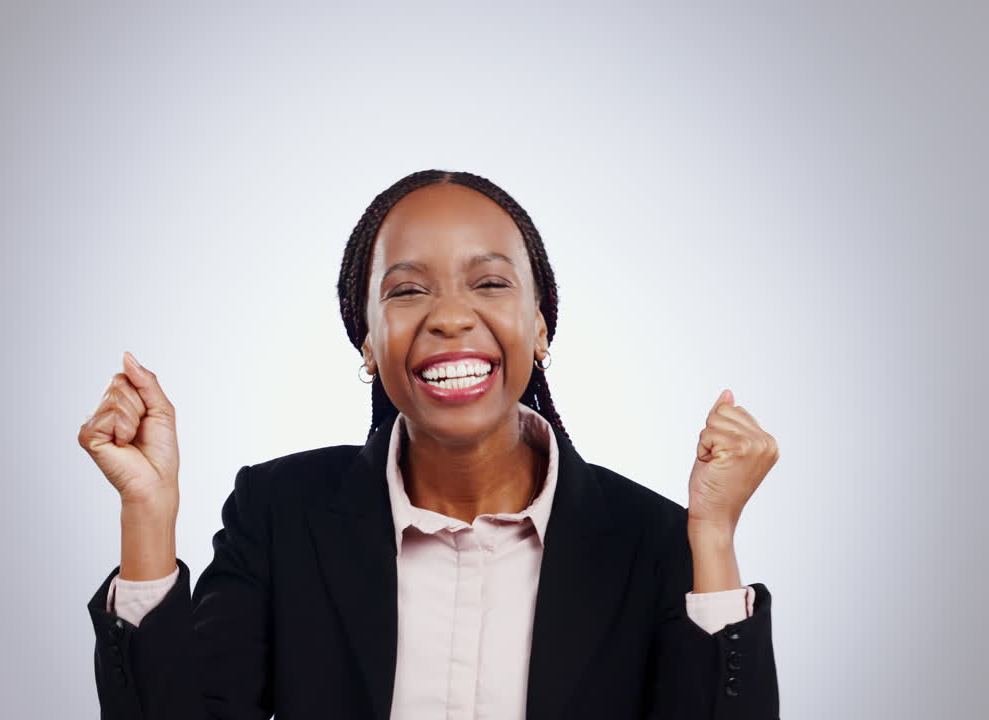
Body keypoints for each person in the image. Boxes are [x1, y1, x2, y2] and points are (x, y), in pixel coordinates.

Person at [80, 169, 781, 719]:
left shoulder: (652, 541)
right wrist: (147, 513)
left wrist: (713, 538)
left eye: (490, 283)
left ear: (541, 327)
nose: (450, 316)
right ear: (367, 341)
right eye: (408, 290)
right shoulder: (279, 514)